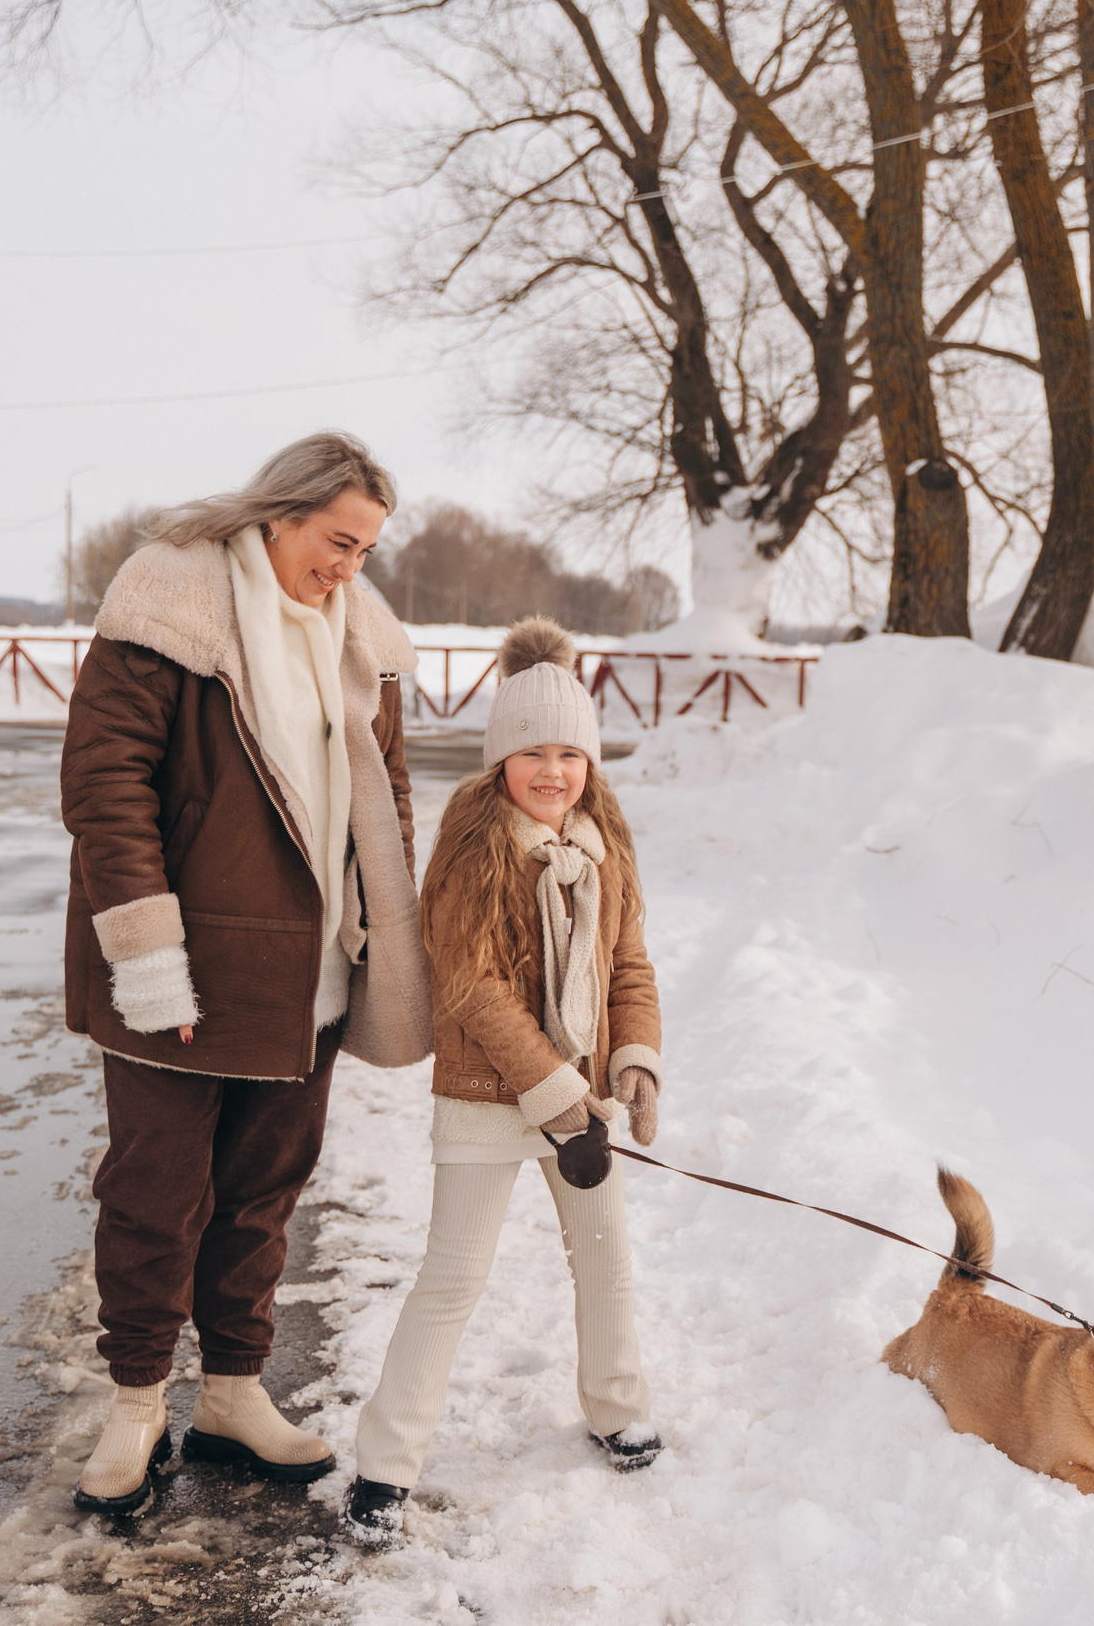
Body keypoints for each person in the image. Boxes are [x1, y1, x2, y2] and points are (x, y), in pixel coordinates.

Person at [59, 431, 431, 1517]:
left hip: (303, 979)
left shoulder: (359, 636)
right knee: (154, 1197)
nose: (348, 568)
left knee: (262, 1197)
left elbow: (388, 798)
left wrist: (382, 934)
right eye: (337, 541)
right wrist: (148, 960)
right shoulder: (170, 607)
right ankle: (134, 1407)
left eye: (366, 550)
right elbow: (106, 782)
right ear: (281, 513)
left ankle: (229, 1394)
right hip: (179, 975)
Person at [343, 616, 665, 1543]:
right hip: (491, 1095)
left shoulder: (606, 842)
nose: (553, 771)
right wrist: (552, 1089)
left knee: (605, 1261)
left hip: (584, 1099)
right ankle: (385, 1463)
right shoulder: (475, 843)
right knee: (453, 1275)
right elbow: (473, 986)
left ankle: (616, 1407)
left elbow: (629, 964)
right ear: (501, 760)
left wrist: (631, 1060)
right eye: (533, 752)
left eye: (571, 752)